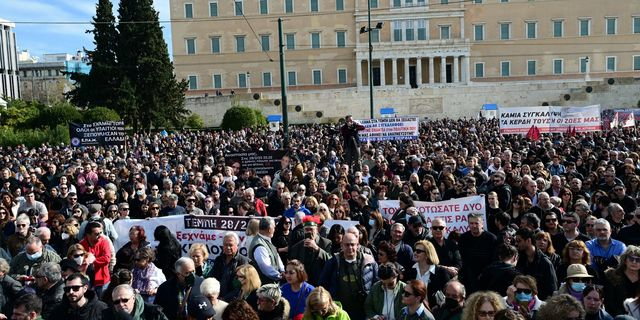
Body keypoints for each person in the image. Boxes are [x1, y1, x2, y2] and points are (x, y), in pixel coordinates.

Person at [318, 232, 378, 320]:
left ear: (357, 245)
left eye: (352, 244)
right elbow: (322, 285)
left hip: (363, 311)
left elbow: (377, 285)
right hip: (339, 311)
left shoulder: (369, 262)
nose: (350, 248)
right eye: (346, 245)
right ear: (341, 246)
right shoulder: (333, 263)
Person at [458, 213, 497, 294]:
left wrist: (485, 273)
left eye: (476, 223)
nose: (474, 226)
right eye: (471, 223)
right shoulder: (463, 238)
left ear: (482, 223)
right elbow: (462, 258)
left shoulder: (491, 238)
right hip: (469, 278)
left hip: (487, 278)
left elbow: (494, 259)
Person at [514, 228, 557, 300]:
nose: (516, 244)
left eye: (519, 241)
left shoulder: (545, 262)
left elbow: (552, 288)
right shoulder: (520, 259)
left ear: (528, 241)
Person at [405, 240, 451, 308]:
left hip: (434, 312)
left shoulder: (441, 272)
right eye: (414, 250)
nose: (415, 253)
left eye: (418, 251)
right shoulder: (410, 270)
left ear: (427, 254)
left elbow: (448, 293)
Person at [288, 216, 332, 286]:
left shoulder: (326, 243)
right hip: (303, 284)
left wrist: (317, 249)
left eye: (311, 229)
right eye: (306, 229)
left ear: (317, 230)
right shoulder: (296, 247)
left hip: (320, 283)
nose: (309, 232)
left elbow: (330, 261)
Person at [603, 245, 640, 316]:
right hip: (617, 316)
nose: (634, 262)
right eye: (631, 259)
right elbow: (609, 302)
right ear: (625, 260)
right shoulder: (612, 276)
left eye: (638, 260)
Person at [211, 232, 249, 299]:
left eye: (230, 245)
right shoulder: (218, 260)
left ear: (237, 246)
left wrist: (225, 299)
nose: (228, 247)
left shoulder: (243, 262)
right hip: (216, 298)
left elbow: (241, 287)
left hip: (233, 301)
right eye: (225, 245)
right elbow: (212, 278)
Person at [248, 217, 285, 284]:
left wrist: (283, 270)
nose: (275, 229)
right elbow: (266, 269)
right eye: (274, 227)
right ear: (269, 229)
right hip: (265, 286)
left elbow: (276, 256)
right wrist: (280, 276)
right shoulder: (260, 246)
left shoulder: (267, 240)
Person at [79, 221, 111, 296]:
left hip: (102, 279)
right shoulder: (81, 244)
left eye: (101, 232)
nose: (100, 235)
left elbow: (107, 258)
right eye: (97, 234)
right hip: (87, 279)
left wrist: (93, 260)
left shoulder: (104, 242)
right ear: (88, 234)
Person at [102, 284, 169, 320]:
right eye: (116, 302)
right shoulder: (106, 315)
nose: (121, 304)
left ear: (133, 298)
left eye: (125, 300)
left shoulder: (153, 313)